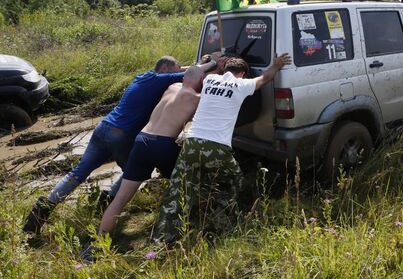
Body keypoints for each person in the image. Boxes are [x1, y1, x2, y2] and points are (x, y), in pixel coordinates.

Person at [23, 56, 187, 235]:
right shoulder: (159, 79)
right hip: (121, 135)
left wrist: (186, 66)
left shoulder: (144, 77)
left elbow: (183, 70)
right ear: (165, 68)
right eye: (175, 70)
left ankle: (40, 214)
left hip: (103, 127)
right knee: (133, 173)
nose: (177, 74)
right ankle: (107, 204)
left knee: (78, 172)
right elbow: (188, 75)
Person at [153, 53, 292, 243]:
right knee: (234, 181)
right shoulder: (243, 85)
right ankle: (218, 223)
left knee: (179, 191)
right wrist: (276, 64)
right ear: (242, 74)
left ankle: (162, 239)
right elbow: (266, 77)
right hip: (216, 147)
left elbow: (206, 71)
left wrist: (213, 60)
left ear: (224, 70)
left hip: (191, 143)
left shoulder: (210, 79)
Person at [95, 66, 205, 238]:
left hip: (141, 141)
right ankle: (184, 226)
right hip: (163, 144)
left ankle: (97, 243)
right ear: (201, 82)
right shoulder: (197, 98)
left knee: (121, 198)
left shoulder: (171, 87)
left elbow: (190, 77)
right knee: (186, 184)